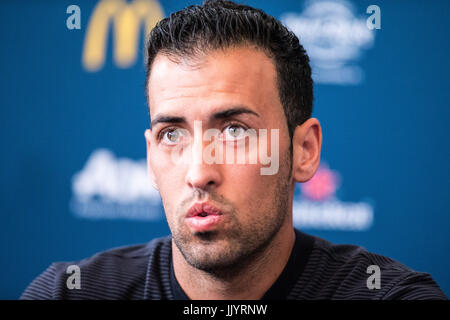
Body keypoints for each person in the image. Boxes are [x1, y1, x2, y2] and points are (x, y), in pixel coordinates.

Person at [21, 0, 446, 300]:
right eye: (173, 134)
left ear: (304, 150)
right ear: (151, 158)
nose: (199, 172)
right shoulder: (68, 293)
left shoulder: (390, 295)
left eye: (236, 131)